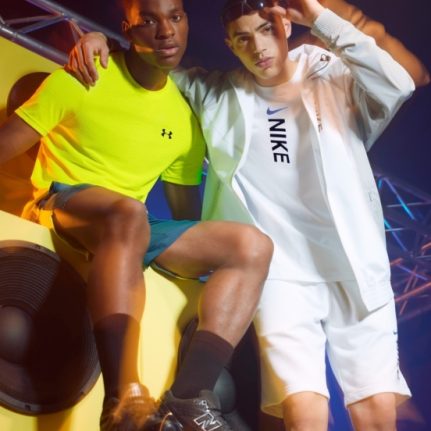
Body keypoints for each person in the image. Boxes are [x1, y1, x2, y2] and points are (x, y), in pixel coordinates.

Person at [67, 0, 428, 430]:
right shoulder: (215, 93)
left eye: (266, 30)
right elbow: (145, 65)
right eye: (243, 38)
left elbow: (399, 82)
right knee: (303, 409)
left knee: (375, 410)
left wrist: (320, 18)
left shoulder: (329, 73)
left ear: (287, 26)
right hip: (281, 276)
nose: (257, 47)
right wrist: (102, 41)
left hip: (355, 266)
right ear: (230, 45)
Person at [0, 0, 275, 430]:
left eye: (175, 17)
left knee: (252, 246)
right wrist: (95, 41)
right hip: (62, 204)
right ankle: (123, 399)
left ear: (187, 22)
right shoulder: (82, 78)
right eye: (148, 20)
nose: (165, 31)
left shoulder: (183, 120)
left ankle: (189, 396)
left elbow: (187, 217)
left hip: (129, 226)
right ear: (126, 29)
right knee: (129, 213)